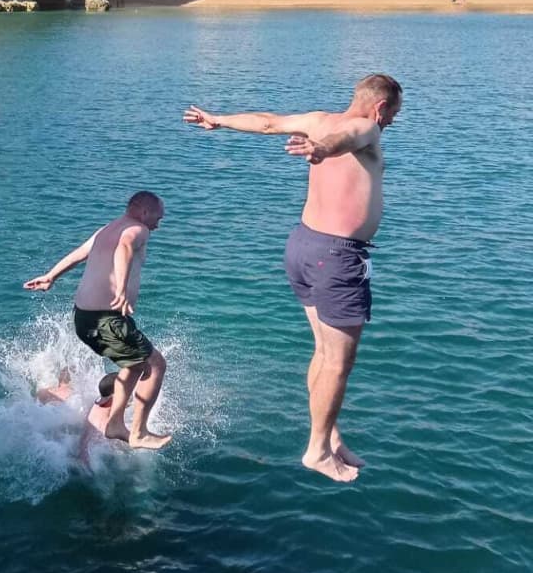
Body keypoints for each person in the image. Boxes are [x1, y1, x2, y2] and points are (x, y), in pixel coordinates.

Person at [184, 73, 403, 484]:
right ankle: (317, 451)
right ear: (380, 107)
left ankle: (329, 433)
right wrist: (322, 149)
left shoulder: (319, 119)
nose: (392, 122)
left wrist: (219, 119)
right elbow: (350, 138)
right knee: (338, 361)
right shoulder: (367, 128)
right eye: (393, 113)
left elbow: (268, 122)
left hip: (303, 246)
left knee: (324, 351)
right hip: (337, 258)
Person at [23, 192, 171, 450]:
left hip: (83, 317)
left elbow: (80, 253)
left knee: (135, 365)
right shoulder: (138, 229)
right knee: (156, 365)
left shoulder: (107, 229)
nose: (158, 224)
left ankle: (115, 423)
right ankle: (138, 432)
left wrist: (51, 276)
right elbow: (125, 247)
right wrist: (121, 289)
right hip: (107, 318)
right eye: (158, 218)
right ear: (144, 212)